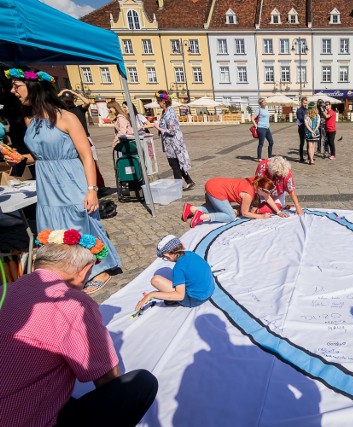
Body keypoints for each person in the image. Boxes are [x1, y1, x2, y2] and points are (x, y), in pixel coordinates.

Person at [0, 230, 158, 427]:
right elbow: (108, 379)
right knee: (140, 385)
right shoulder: (73, 303)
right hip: (24, 420)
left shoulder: (4, 290)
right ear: (84, 271)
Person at [4, 67, 121, 293]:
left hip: (70, 180)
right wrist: (21, 158)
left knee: (81, 224)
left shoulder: (66, 117)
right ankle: (68, 271)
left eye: (16, 86)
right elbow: (41, 155)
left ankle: (100, 269)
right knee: (55, 228)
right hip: (48, 183)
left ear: (33, 87)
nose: (12, 90)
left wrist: (92, 189)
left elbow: (86, 155)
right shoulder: (31, 120)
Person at [135, 235, 215, 310]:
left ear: (167, 254)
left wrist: (152, 294)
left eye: (165, 257)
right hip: (209, 290)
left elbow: (180, 295)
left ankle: (171, 299)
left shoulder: (178, 268)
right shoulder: (191, 254)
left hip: (195, 299)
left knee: (155, 280)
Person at [59, 89, 106, 194]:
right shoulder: (62, 112)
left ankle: (99, 185)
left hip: (85, 138)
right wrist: (61, 93)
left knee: (92, 162)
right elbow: (50, 103)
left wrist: (74, 93)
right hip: (71, 140)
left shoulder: (79, 109)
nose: (68, 103)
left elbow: (87, 102)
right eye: (66, 101)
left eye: (70, 100)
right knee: (79, 164)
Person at [182, 176, 276, 227]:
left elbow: (268, 198)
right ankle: (201, 217)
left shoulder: (256, 180)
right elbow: (245, 213)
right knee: (230, 216)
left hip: (214, 183)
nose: (268, 195)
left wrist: (278, 211)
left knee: (219, 211)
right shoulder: (248, 194)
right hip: (216, 190)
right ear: (260, 189)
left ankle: (191, 209)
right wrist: (261, 216)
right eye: (267, 193)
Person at [153, 90, 195, 191]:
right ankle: (189, 181)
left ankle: (177, 187)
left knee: (174, 165)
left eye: (159, 101)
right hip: (169, 143)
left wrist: (158, 128)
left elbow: (171, 131)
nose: (158, 103)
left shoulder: (170, 113)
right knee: (177, 163)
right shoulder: (165, 112)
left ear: (164, 101)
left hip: (173, 144)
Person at [296, 97, 308, 163]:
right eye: (304, 103)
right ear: (301, 103)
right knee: (302, 143)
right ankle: (301, 157)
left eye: (306, 103)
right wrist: (307, 118)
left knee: (309, 142)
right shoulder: (299, 110)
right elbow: (300, 118)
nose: (305, 104)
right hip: (302, 128)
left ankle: (309, 156)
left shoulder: (307, 109)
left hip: (307, 128)